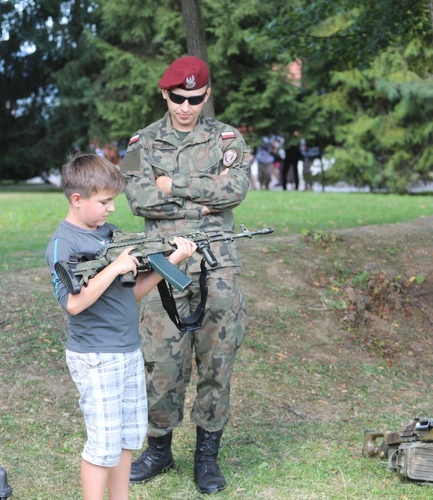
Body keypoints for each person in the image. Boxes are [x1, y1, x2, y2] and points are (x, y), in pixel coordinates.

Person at [120, 55, 251, 495]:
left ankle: (207, 459)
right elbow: (138, 199)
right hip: (161, 265)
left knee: (216, 361)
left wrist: (171, 187)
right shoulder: (142, 142)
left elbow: (235, 191)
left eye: (195, 98)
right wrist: (204, 202)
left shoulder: (227, 139)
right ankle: (158, 450)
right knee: (161, 362)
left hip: (217, 266)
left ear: (206, 94)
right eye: (178, 97)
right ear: (165, 94)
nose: (185, 106)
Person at [45, 153, 197, 500]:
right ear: (77, 199)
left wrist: (171, 261)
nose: (111, 209)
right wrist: (113, 268)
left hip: (127, 350)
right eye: (104, 202)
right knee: (103, 444)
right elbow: (73, 303)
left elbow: (135, 294)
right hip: (96, 356)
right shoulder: (63, 245)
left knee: (128, 436)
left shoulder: (111, 235)